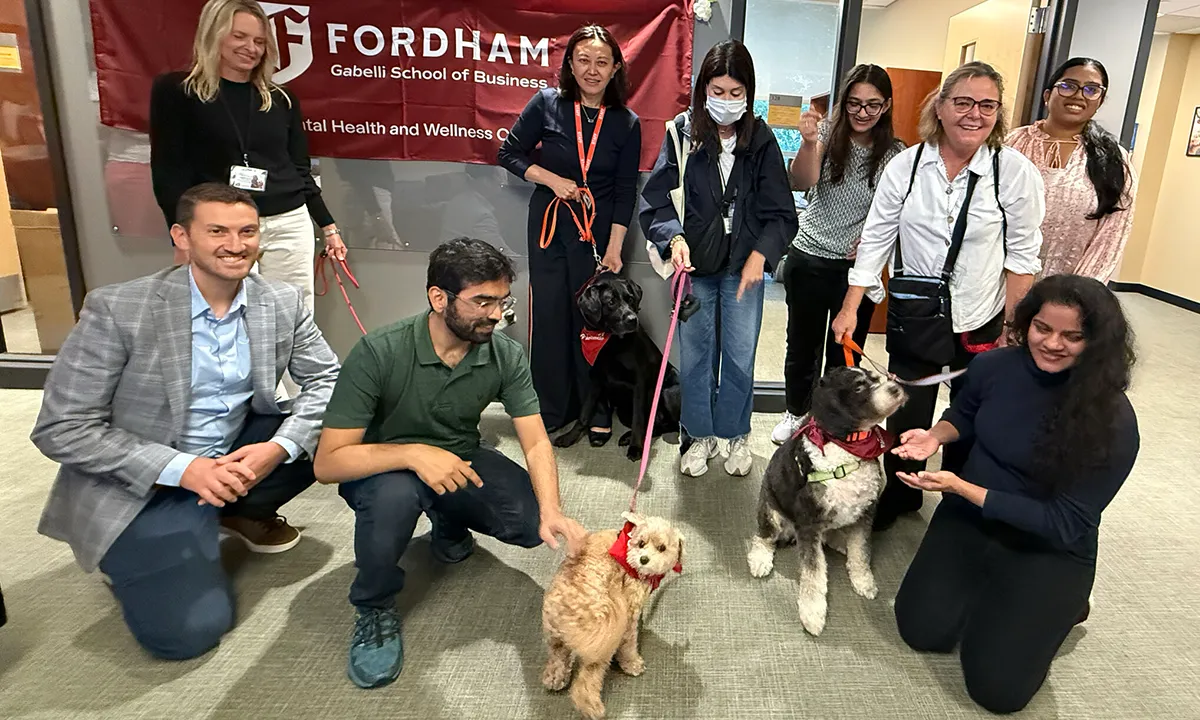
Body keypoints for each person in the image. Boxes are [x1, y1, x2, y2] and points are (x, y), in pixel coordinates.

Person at [30, 183, 340, 660]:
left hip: (235, 450)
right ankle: (141, 547)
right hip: (146, 479)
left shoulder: (281, 301)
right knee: (189, 636)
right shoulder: (119, 309)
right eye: (217, 231)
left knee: (349, 430)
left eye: (247, 231)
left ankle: (234, 511)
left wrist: (278, 448)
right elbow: (62, 426)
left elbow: (328, 381)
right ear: (182, 236)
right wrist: (185, 469)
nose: (235, 245)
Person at [313, 237, 588, 689]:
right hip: (383, 469)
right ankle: (374, 605)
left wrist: (554, 510)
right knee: (396, 500)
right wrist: (413, 454)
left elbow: (536, 440)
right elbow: (328, 463)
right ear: (438, 297)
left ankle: (447, 518)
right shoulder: (379, 351)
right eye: (482, 301)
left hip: (457, 457)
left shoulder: (504, 354)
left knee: (528, 519)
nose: (496, 314)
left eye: (502, 301)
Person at [890, 274, 1138, 714]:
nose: (1053, 343)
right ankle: (1000, 597)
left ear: (1097, 340)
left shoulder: (1113, 420)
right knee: (920, 631)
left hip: (1046, 542)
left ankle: (1068, 604)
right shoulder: (995, 366)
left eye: (1073, 336)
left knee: (997, 691)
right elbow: (963, 413)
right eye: (1043, 328)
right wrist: (934, 437)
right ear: (1027, 323)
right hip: (971, 518)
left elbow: (1066, 521)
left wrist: (963, 487)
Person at [831, 61, 1045, 529]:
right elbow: (876, 237)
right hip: (918, 316)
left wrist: (1014, 330)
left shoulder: (1013, 172)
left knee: (974, 411)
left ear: (998, 112)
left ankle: (961, 496)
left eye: (987, 104)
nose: (974, 113)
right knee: (906, 406)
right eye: (963, 101)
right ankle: (903, 492)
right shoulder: (906, 167)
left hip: (982, 315)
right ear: (940, 107)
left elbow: (1023, 257)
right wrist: (850, 308)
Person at [640, 40, 798, 478]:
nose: (725, 102)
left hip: (743, 271)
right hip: (694, 269)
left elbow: (782, 214)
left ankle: (734, 435)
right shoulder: (682, 134)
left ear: (748, 93)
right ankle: (699, 435)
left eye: (735, 92)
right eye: (717, 90)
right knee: (695, 358)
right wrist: (673, 239)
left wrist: (760, 257)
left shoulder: (762, 141)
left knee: (741, 356)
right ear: (702, 90)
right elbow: (655, 202)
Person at [498, 25, 642, 444]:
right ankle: (551, 407)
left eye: (602, 62)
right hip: (549, 224)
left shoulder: (626, 122)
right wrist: (549, 178)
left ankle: (594, 408)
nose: (592, 70)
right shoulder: (546, 104)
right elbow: (508, 153)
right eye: (584, 60)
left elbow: (624, 189)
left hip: (594, 231)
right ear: (570, 64)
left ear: (615, 69)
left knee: (592, 320)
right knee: (549, 316)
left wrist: (615, 248)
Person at [150, 0, 347, 305]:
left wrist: (328, 226)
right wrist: (182, 235)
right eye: (239, 37)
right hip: (223, 226)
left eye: (259, 41)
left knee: (293, 311)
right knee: (224, 312)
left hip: (287, 220)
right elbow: (168, 171)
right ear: (214, 34)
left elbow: (299, 169)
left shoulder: (281, 99)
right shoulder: (178, 92)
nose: (251, 48)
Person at [772, 64, 906, 444]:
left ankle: (833, 421)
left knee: (844, 353)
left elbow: (896, 209)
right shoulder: (827, 135)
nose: (862, 113)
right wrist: (810, 141)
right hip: (810, 256)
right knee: (801, 346)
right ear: (844, 103)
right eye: (854, 104)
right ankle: (796, 413)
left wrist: (876, 239)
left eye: (873, 105)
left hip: (856, 271)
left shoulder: (896, 153)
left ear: (887, 106)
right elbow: (802, 181)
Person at [1007, 58, 1137, 282]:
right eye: (1068, 86)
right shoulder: (1012, 145)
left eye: (1091, 90)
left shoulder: (1115, 160)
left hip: (1069, 293)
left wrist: (1077, 295)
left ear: (1100, 101)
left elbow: (1111, 237)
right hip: (999, 283)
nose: (1079, 95)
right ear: (1047, 95)